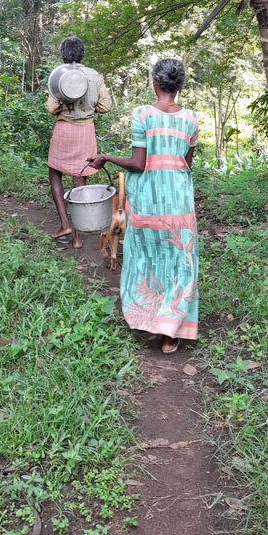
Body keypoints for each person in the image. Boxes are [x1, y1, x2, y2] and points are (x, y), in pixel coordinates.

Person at [88, 56, 199, 355]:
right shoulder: (191, 119)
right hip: (178, 203)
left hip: (149, 202)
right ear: (179, 86)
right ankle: (169, 334)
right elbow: (185, 165)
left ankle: (148, 319)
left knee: (146, 259)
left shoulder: (142, 115)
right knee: (178, 263)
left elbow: (138, 163)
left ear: (154, 83)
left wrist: (106, 157)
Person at [47, 35, 111, 248]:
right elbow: (105, 106)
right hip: (86, 130)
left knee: (54, 172)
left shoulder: (60, 75)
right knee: (80, 177)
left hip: (65, 128)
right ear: (82, 54)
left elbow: (50, 108)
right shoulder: (94, 76)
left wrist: (64, 104)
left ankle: (65, 223)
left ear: (63, 54)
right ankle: (76, 237)